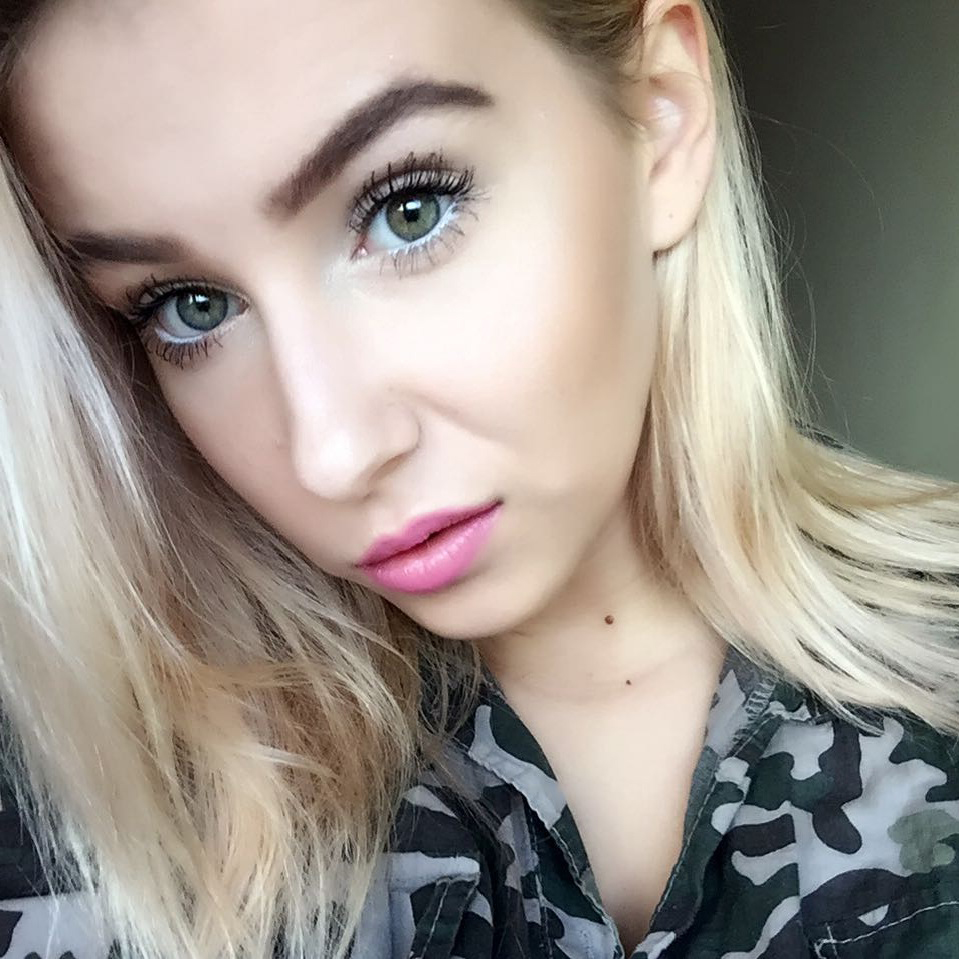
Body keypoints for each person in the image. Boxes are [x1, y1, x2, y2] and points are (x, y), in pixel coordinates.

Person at [0, 0, 957, 956]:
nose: (331, 453)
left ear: (659, 120)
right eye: (189, 306)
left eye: (407, 210)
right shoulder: (83, 820)